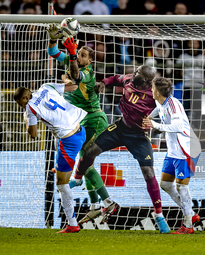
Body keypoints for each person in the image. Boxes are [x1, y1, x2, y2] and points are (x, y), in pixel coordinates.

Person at [71, 65, 170, 233]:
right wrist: (103, 82)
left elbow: (166, 118)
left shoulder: (155, 96)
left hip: (139, 136)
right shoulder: (129, 80)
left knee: (149, 173)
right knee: (90, 152)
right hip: (121, 128)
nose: (134, 72)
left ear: (146, 81)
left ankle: (159, 215)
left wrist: (156, 126)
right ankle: (78, 178)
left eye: (138, 72)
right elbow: (116, 78)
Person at [46, 24, 117, 225]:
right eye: (79, 52)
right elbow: (53, 52)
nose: (80, 56)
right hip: (81, 121)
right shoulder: (71, 60)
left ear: (90, 60)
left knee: (85, 160)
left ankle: (108, 202)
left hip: (95, 120)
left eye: (84, 55)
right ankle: (95, 206)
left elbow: (76, 76)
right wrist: (53, 39)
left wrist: (70, 60)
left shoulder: (89, 72)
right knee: (86, 163)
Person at [13, 82, 86, 233]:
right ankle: (66, 171)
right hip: (80, 129)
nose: (22, 107)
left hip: (69, 141)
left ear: (26, 98)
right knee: (63, 153)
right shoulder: (46, 87)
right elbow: (72, 87)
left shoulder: (30, 108)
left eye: (21, 104)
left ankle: (73, 224)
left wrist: (26, 118)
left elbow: (33, 135)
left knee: (61, 184)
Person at [143, 77, 201, 234]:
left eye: (153, 88)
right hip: (173, 150)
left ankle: (188, 224)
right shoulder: (161, 102)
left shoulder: (173, 105)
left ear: (159, 91)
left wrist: (154, 125)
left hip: (186, 148)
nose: (151, 91)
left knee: (182, 186)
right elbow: (157, 109)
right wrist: (150, 116)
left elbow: (178, 125)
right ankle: (191, 213)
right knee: (166, 184)